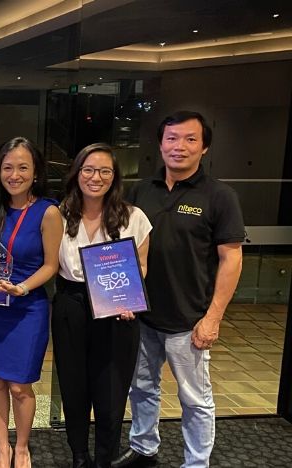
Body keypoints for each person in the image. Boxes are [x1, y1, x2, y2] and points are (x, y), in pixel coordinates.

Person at [114, 112, 244, 468]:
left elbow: (231, 259)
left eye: (189, 139)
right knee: (141, 387)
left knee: (194, 398)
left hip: (190, 319)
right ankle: (143, 448)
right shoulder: (140, 190)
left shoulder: (219, 196)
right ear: (160, 144)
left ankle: (196, 463)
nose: (179, 147)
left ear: (204, 147)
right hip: (142, 315)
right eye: (172, 138)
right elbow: (121, 247)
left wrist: (213, 317)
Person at [52, 143, 151, 468]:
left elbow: (141, 265)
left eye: (105, 171)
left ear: (115, 176)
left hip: (117, 312)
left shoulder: (134, 217)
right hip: (71, 306)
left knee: (110, 395)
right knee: (74, 389)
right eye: (89, 170)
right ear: (77, 173)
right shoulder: (59, 215)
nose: (96, 177)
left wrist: (130, 299)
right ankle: (80, 456)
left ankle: (105, 459)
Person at [0, 137, 62, 468]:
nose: (15, 174)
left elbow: (51, 265)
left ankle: (22, 446)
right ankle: (2, 447)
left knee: (20, 385)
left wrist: (22, 288)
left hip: (27, 309)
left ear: (36, 172)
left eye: (23, 167)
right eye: (8, 167)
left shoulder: (48, 211)